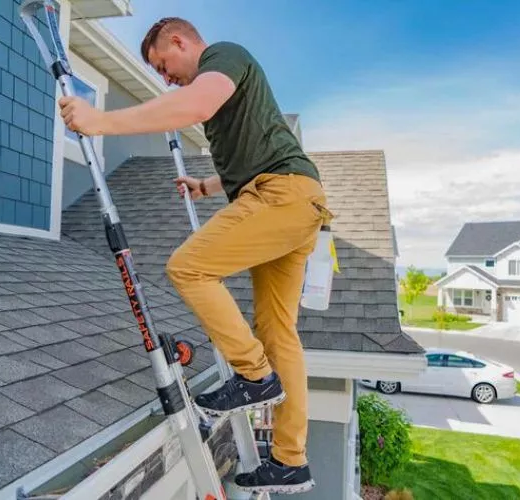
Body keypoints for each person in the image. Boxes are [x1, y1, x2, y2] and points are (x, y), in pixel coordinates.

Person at [58, 17, 332, 494]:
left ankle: (254, 376)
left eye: (164, 65)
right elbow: (256, 153)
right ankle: (290, 461)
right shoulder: (229, 88)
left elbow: (193, 104)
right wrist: (207, 185)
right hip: (296, 198)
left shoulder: (223, 56)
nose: (166, 78)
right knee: (277, 331)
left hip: (280, 196)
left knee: (188, 266)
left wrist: (101, 122)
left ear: (180, 41)